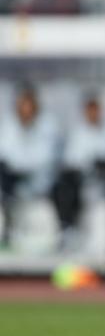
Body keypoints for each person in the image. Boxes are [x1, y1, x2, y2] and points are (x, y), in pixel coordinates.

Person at [53, 93, 105, 250]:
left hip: (103, 178)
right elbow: (71, 160)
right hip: (79, 178)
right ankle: (67, 227)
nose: (92, 114)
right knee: (62, 186)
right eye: (89, 110)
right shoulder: (78, 133)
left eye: (95, 110)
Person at [0, 84, 60, 248]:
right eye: (22, 106)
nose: (26, 110)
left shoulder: (47, 127)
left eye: (29, 106)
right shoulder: (8, 126)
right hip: (10, 183)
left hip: (39, 184)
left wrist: (21, 166)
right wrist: (17, 166)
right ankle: (7, 230)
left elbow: (44, 158)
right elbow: (5, 154)